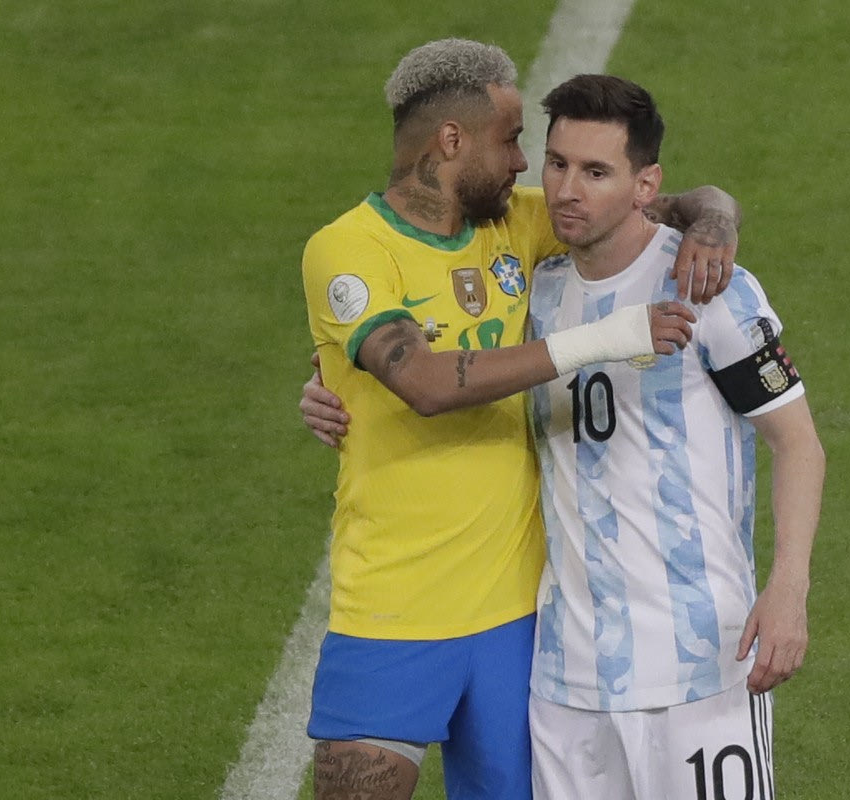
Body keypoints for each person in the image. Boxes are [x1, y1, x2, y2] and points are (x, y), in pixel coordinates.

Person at [299, 39, 741, 800]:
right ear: (451, 140)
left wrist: (716, 223)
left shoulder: (518, 225)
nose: (522, 163)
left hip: (519, 625)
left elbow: (678, 200)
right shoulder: (347, 249)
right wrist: (608, 339)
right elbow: (426, 383)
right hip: (391, 609)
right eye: (509, 140)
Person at [523, 75, 826, 799]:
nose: (568, 189)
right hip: (565, 682)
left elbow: (797, 443)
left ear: (646, 185)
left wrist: (789, 588)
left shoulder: (708, 286)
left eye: (596, 172)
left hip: (699, 668)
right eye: (557, 163)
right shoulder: (533, 291)